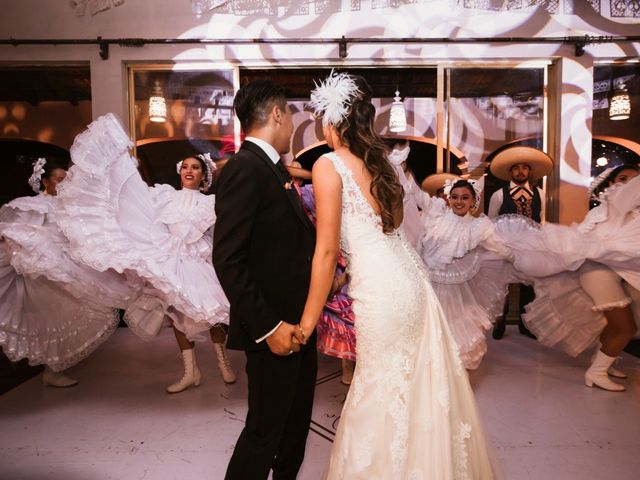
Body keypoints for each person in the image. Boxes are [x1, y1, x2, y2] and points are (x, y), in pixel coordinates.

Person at [298, 71, 498, 478]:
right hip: (409, 280)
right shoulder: (382, 165)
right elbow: (390, 228)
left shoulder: (327, 165)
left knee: (379, 383)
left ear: (332, 120)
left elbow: (326, 251)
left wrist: (307, 319)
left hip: (380, 288)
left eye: (321, 115)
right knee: (410, 385)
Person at [55, 114, 234, 393]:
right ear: (180, 172)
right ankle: (191, 371)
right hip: (169, 260)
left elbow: (211, 234)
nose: (188, 171)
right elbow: (134, 205)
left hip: (198, 262)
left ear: (203, 175)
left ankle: (224, 364)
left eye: (195, 168)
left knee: (209, 313)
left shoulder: (210, 203)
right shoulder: (164, 196)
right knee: (176, 314)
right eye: (185, 167)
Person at [212, 80, 316, 480]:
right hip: (274, 327)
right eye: (289, 115)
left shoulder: (273, 168)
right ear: (277, 114)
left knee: (292, 431)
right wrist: (268, 327)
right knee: (265, 432)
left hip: (298, 325)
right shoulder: (245, 168)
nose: (291, 123)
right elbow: (228, 258)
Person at [0, 157, 130, 387]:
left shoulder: (71, 209)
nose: (64, 185)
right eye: (59, 180)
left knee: (68, 313)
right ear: (45, 181)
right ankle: (49, 369)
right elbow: (17, 231)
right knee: (48, 320)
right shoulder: (34, 204)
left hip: (67, 268)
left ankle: (53, 369)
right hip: (42, 273)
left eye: (66, 180)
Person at [508, 164, 640, 391]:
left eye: (634, 180)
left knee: (620, 323)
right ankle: (596, 372)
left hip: (619, 271)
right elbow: (580, 241)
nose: (628, 184)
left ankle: (602, 364)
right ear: (611, 184)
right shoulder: (601, 212)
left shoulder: (635, 216)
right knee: (625, 326)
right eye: (623, 178)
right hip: (597, 270)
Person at [419, 178, 516, 369]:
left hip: (460, 288)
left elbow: (498, 247)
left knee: (456, 323)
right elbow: (420, 242)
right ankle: (435, 367)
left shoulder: (478, 226)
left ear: (473, 200)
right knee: (433, 324)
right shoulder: (437, 219)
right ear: (448, 198)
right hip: (432, 283)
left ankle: (454, 368)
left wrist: (514, 257)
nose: (459, 202)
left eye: (465, 197)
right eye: (454, 197)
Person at [487, 146, 552, 339]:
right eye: (517, 168)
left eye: (525, 168)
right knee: (503, 286)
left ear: (530, 172)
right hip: (505, 247)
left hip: (531, 247)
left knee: (528, 287)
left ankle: (525, 324)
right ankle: (500, 322)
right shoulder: (499, 194)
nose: (521, 172)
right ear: (510, 172)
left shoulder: (540, 194)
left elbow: (540, 220)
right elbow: (491, 222)